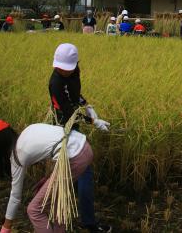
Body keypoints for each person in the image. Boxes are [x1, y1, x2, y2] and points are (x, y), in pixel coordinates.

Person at [0, 120, 99, 233]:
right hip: (84, 146)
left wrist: (6, 227)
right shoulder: (28, 131)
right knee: (54, 201)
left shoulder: (18, 157)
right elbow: (53, 145)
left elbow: (15, 197)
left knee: (34, 209)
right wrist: (48, 178)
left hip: (74, 159)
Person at [48, 43, 111, 232]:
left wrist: (87, 104)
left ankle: (70, 213)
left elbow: (75, 95)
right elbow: (67, 111)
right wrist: (93, 122)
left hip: (74, 121)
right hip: (62, 127)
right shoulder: (55, 83)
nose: (63, 70)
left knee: (75, 172)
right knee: (83, 170)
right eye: (60, 68)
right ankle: (86, 222)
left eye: (67, 68)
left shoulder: (74, 71)